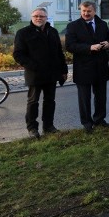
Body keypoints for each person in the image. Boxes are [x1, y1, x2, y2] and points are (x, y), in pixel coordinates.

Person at [13, 7, 68, 138]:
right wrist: (34, 66)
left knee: (50, 101)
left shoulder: (53, 32)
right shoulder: (23, 33)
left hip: (51, 74)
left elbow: (59, 53)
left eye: (41, 16)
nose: (39, 18)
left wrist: (64, 70)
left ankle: (49, 126)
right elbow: (18, 54)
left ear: (46, 18)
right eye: (36, 16)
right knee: (33, 102)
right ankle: (32, 128)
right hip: (34, 74)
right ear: (32, 18)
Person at [66, 1, 109, 133]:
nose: (86, 14)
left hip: (100, 66)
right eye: (83, 11)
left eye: (89, 11)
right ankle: (86, 122)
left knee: (101, 96)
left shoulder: (102, 24)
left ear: (95, 11)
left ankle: (99, 119)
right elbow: (69, 46)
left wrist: (108, 44)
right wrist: (89, 48)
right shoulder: (73, 26)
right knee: (84, 98)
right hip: (83, 67)